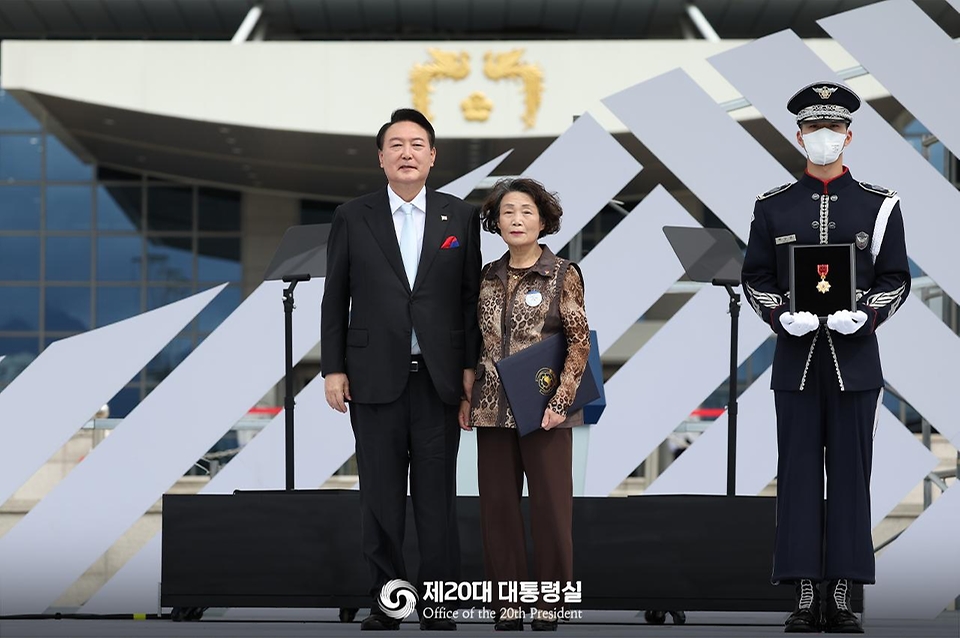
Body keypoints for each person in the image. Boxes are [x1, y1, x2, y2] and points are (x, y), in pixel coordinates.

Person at [741, 82, 910, 634]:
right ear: (799, 136)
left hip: (854, 360)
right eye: (814, 129)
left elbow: (895, 278)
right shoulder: (771, 205)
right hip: (796, 359)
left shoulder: (880, 205)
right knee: (795, 477)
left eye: (833, 129)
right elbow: (756, 276)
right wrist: (777, 312)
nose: (823, 138)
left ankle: (842, 592)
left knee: (851, 477)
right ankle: (803, 591)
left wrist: (868, 313)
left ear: (849, 135)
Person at [321, 108, 481, 631]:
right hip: (372, 377)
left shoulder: (459, 216)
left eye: (417, 144)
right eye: (396, 144)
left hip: (438, 380)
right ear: (381, 157)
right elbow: (335, 295)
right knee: (381, 499)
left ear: (433, 157)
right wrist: (332, 367)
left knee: (437, 498)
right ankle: (388, 602)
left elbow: (468, 298)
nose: (407, 152)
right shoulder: (353, 214)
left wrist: (469, 366)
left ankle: (439, 604)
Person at [460, 178, 590, 632]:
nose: (516, 219)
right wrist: (467, 395)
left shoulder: (562, 273)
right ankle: (508, 604)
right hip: (493, 408)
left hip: (546, 411)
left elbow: (578, 343)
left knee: (552, 509)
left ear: (543, 220)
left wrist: (562, 398)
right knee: (497, 508)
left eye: (526, 212)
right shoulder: (486, 276)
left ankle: (550, 602)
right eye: (507, 212)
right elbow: (475, 342)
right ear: (496, 222)